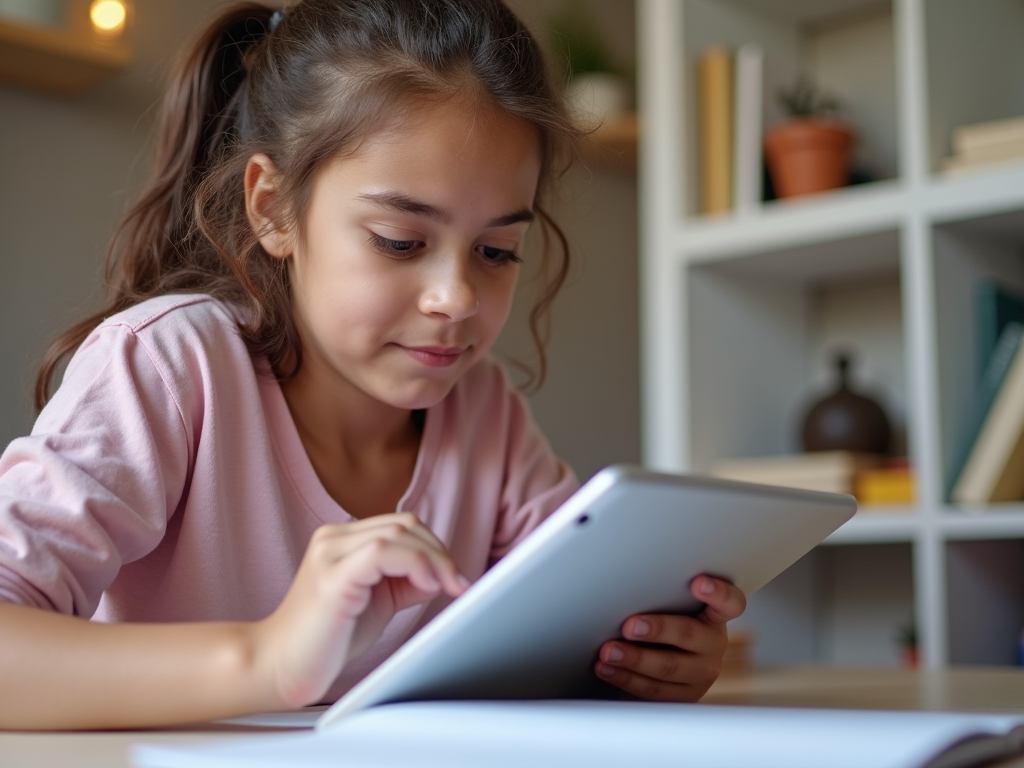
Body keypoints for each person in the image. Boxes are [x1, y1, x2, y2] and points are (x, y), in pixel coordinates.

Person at [0, 0, 745, 730]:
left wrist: (638, 658)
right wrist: (270, 661)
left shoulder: (485, 414)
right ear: (273, 209)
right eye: (399, 240)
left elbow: (568, 634)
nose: (456, 298)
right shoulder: (168, 366)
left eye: (497, 252)